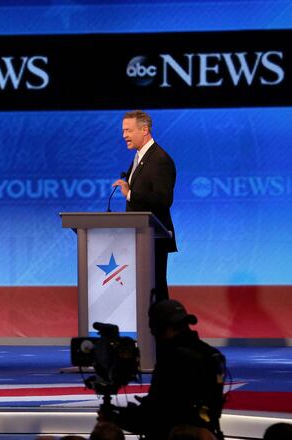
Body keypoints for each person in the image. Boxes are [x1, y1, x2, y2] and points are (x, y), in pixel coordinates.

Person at [108, 299, 226, 440]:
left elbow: (157, 417)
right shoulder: (211, 355)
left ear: (158, 327)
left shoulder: (173, 360)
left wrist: (115, 419)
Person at [112, 110, 176, 303]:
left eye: (128, 130)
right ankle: (148, 330)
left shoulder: (160, 160)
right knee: (143, 292)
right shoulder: (140, 156)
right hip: (138, 236)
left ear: (145, 130)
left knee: (155, 290)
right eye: (123, 130)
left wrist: (130, 194)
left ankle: (162, 331)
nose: (124, 135)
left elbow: (163, 200)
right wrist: (128, 187)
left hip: (153, 239)